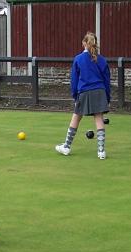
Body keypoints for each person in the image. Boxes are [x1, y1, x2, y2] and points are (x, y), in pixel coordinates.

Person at [55, 32, 110, 160]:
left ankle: (67, 147)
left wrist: (75, 96)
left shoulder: (78, 59)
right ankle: (101, 152)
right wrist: (107, 97)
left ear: (84, 43)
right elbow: (107, 80)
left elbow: (74, 80)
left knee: (76, 118)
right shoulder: (101, 60)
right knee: (99, 118)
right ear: (95, 44)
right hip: (99, 91)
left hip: (84, 91)